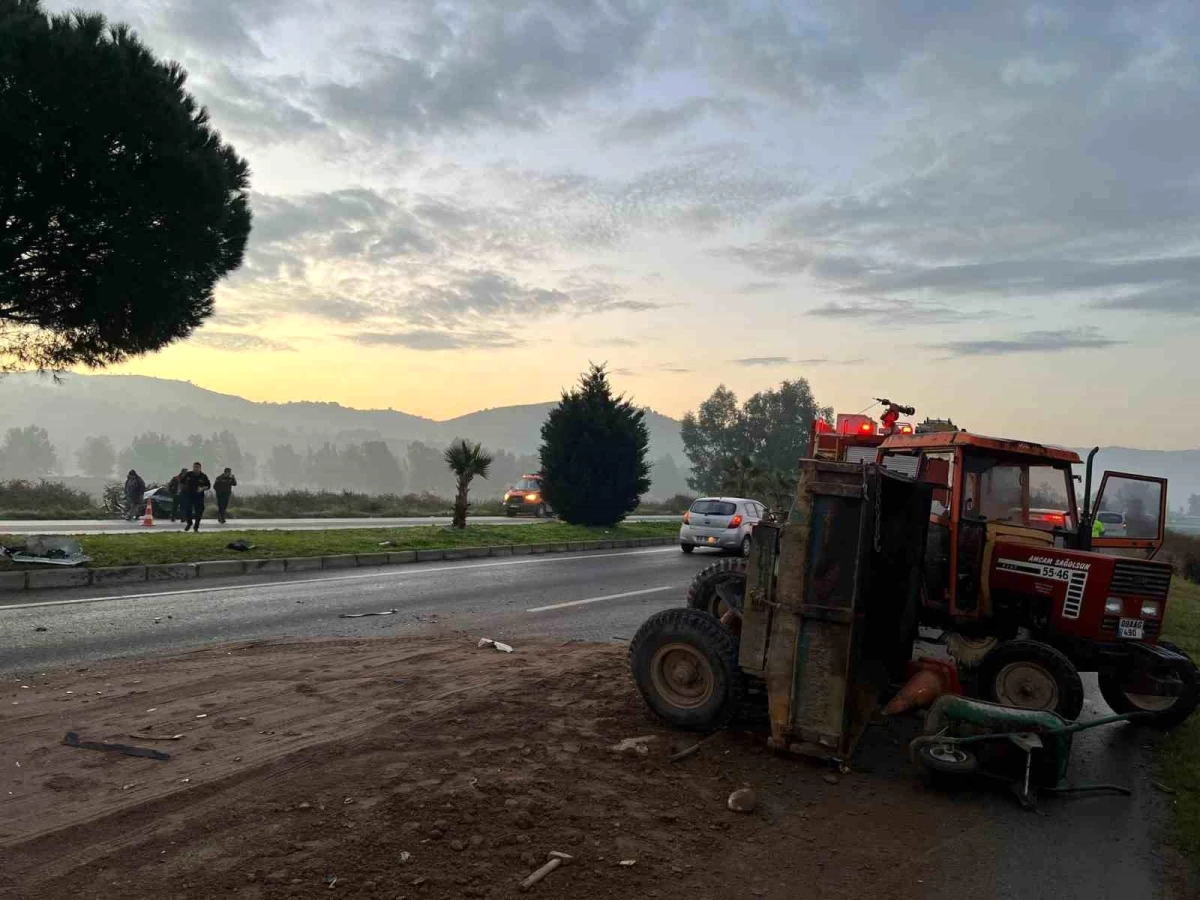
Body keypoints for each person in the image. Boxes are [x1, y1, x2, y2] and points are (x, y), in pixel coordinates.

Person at [180, 462, 211, 532]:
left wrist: (202, 488)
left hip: (199, 497)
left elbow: (208, 486)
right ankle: (189, 523)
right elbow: (182, 482)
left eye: (197, 467)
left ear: (200, 468)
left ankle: (196, 526)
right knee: (188, 510)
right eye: (194, 467)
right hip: (189, 496)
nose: (195, 469)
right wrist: (182, 490)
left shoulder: (203, 476)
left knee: (199, 512)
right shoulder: (188, 474)